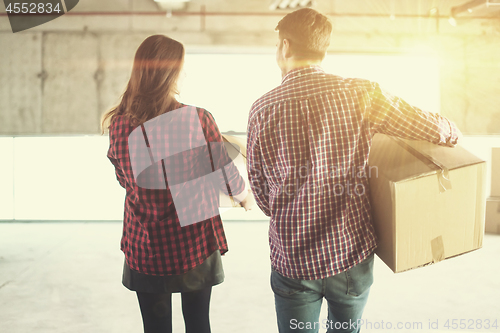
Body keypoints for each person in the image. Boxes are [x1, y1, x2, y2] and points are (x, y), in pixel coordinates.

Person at [246, 8, 461, 333]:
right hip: (349, 253)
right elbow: (431, 127)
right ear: (324, 49)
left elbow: (262, 194)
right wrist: (452, 130)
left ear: (285, 47)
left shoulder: (262, 108)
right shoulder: (361, 93)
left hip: (293, 257)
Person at [102, 34, 254, 333]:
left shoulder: (119, 124)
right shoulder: (196, 118)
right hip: (193, 244)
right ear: (172, 72)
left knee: (155, 328)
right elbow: (223, 174)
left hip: (144, 245)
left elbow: (123, 179)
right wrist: (245, 196)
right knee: (198, 324)